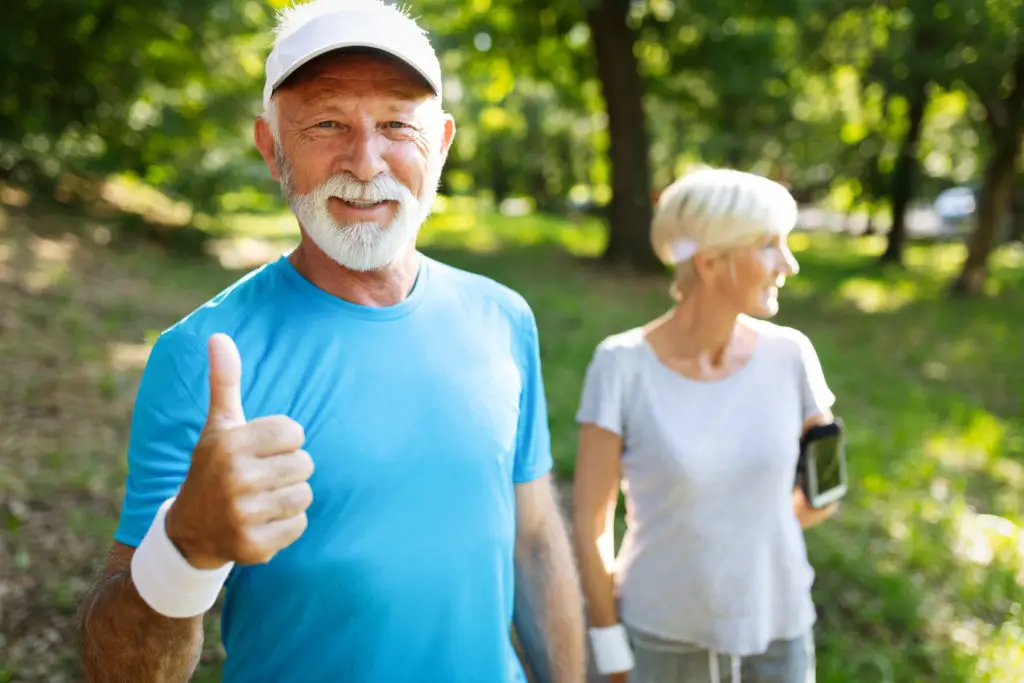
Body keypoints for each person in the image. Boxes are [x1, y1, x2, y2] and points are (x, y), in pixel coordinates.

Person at [78, 1, 586, 681]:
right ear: (270, 146)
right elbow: (121, 673)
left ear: (440, 141)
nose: (365, 161)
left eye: (397, 124)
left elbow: (534, 540)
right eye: (326, 123)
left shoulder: (503, 316)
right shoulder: (200, 355)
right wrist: (182, 550)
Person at [571, 168, 841, 683]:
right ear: (711, 261)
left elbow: (828, 489)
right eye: (769, 246)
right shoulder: (620, 366)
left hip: (779, 631)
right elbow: (591, 527)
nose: (789, 263)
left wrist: (751, 529)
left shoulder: (793, 356)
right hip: (661, 638)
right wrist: (610, 649)